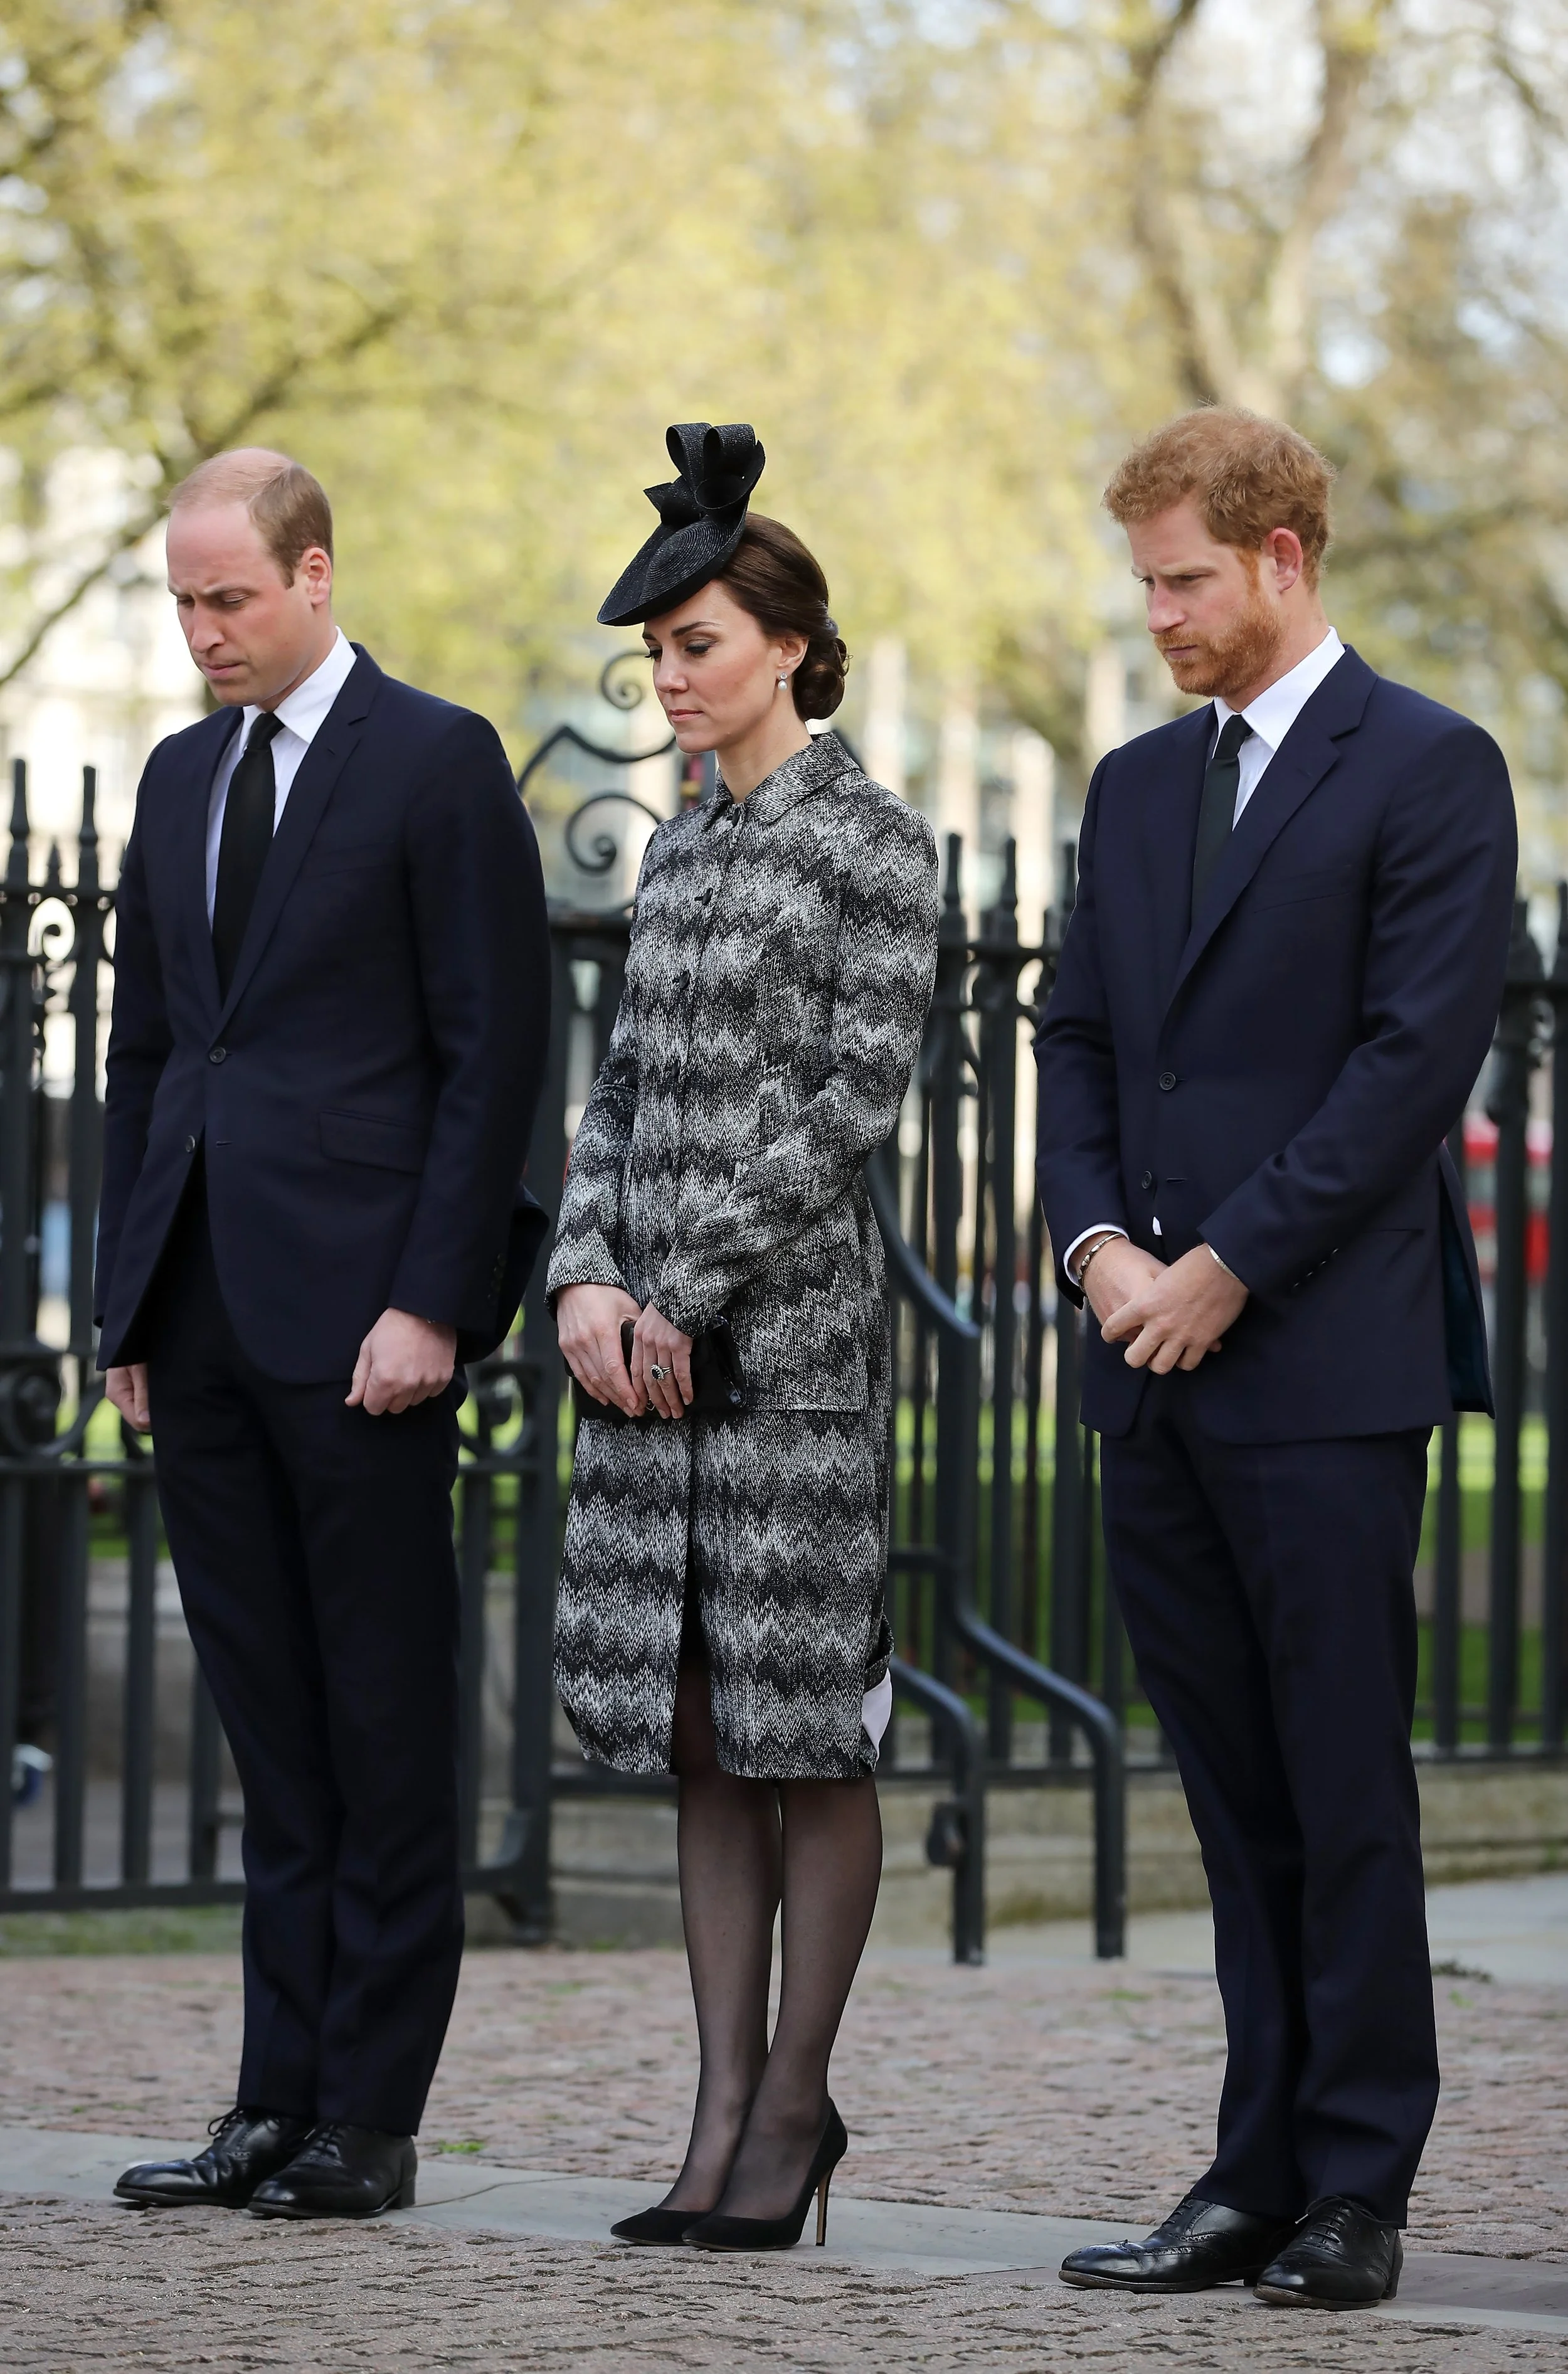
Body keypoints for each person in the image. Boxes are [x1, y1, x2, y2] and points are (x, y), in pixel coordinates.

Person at [1036, 409, 1515, 2311]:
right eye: (1140, 579)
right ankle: (1245, 2169)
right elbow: (1074, 1038)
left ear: (1284, 556)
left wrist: (1223, 1266)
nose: (1153, 613)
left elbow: (1409, 1069)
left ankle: (1354, 2186)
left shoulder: (1430, 767)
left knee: (1339, 1782)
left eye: (1181, 579)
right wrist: (1093, 1250)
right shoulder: (1134, 786)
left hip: (1318, 1357)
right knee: (1224, 1794)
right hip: (1137, 1357)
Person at [100, 450, 550, 2220]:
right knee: (270, 1737)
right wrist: (132, 1302)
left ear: (314, 576)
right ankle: (268, 2100)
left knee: (380, 1723)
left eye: (229, 599)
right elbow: (150, 1058)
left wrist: (430, 1297)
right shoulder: (175, 775)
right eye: (184, 604)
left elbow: (488, 1058)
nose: (205, 634)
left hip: (366, 1323)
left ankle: (370, 2113)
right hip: (199, 1315)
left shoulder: (436, 764)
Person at [549, 423, 938, 2252]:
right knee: (700, 1729)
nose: (672, 682)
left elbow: (844, 1106)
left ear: (785, 639)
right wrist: (582, 1282)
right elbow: (615, 1097)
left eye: (695, 644)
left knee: (805, 1737)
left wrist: (682, 1289)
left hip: (782, 1362)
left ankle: (795, 2109)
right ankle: (714, 2115)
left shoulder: (871, 842)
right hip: (645, 1357)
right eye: (654, 658)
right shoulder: (684, 850)